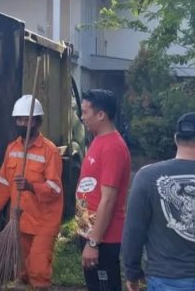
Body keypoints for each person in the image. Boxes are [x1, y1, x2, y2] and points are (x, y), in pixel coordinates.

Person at [0, 95, 63, 290]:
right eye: (19, 119)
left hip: (44, 221)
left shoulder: (49, 151)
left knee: (38, 270)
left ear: (37, 121)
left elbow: (55, 188)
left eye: (26, 119)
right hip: (20, 219)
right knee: (22, 272)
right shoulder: (12, 149)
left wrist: (30, 186)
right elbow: (2, 184)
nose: (22, 123)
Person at [122, 112, 195, 291]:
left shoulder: (147, 176)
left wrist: (132, 271)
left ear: (175, 139)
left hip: (167, 278)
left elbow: (134, 229)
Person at [75, 89, 131, 291]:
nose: (81, 117)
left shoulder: (113, 147)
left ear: (101, 115)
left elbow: (108, 199)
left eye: (85, 112)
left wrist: (94, 243)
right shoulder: (98, 139)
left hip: (103, 239)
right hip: (90, 232)